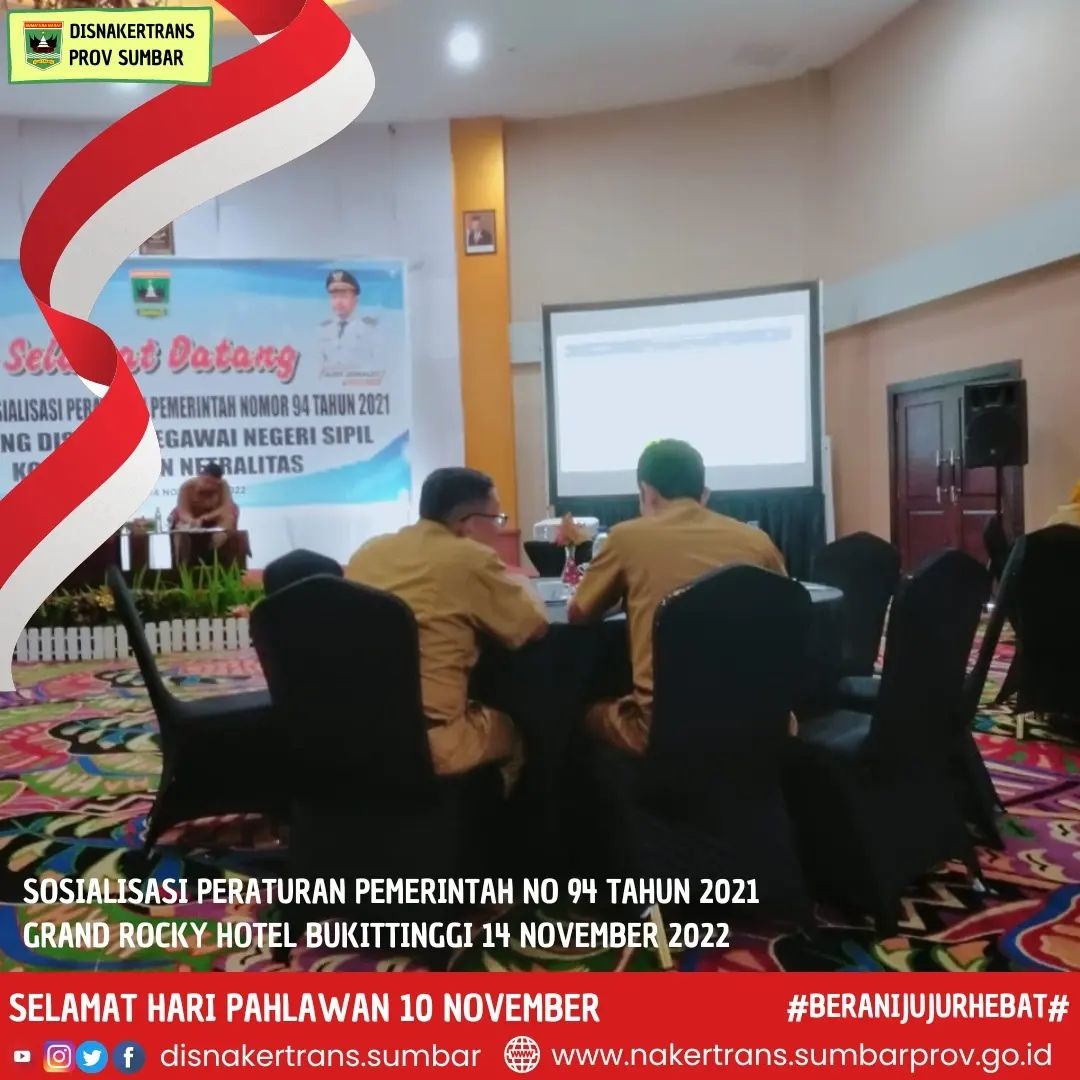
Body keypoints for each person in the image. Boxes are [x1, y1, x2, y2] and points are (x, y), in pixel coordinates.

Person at [568, 439, 788, 756]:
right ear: (704, 494)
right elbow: (783, 612)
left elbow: (579, 614)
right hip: (760, 724)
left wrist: (619, 601)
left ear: (646, 492)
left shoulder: (626, 538)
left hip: (662, 731)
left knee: (585, 713)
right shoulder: (758, 542)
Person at [346, 467, 548, 787]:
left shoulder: (369, 551)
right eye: (497, 519)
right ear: (468, 524)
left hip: (356, 731)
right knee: (520, 732)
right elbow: (533, 626)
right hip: (433, 742)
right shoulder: (469, 558)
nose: (499, 530)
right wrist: (521, 582)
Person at [168, 463, 243, 565]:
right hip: (191, 520)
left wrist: (205, 518)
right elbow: (183, 512)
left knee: (228, 518)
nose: (209, 486)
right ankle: (183, 563)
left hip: (213, 518)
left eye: (214, 484)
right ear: (200, 476)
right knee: (182, 529)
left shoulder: (223, 485)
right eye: (207, 481)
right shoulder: (187, 487)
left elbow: (227, 507)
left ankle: (218, 551)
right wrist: (193, 521)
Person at [318, 269, 379, 376]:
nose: (338, 302)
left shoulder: (371, 328)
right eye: (334, 297)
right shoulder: (321, 329)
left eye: (343, 296)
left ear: (355, 300)